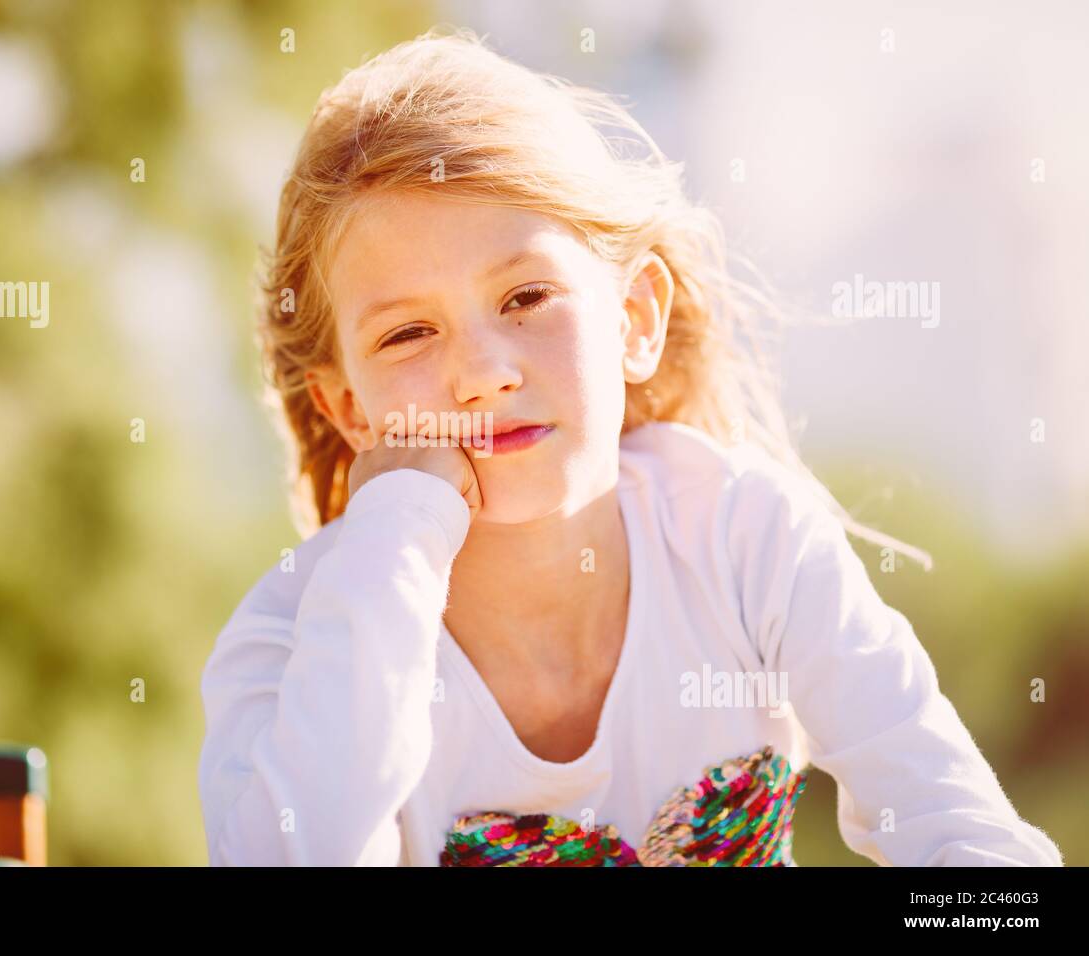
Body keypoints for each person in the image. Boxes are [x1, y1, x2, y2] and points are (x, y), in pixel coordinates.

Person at [198, 27, 1063, 867]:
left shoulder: (742, 538)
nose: (482, 374)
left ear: (634, 319)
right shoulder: (289, 641)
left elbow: (960, 832)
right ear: (350, 407)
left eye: (526, 296)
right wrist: (393, 528)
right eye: (408, 334)